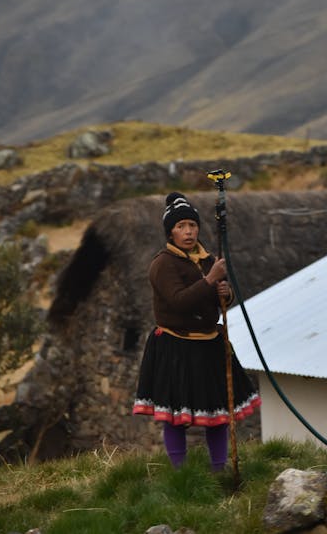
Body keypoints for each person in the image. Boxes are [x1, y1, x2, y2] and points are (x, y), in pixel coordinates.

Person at [133, 192, 261, 471]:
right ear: (171, 232)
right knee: (176, 417)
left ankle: (219, 469)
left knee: (216, 414)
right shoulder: (162, 264)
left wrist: (224, 296)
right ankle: (180, 473)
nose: (188, 231)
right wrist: (211, 280)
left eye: (192, 225)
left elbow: (218, 301)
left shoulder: (208, 259)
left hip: (209, 345)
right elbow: (178, 301)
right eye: (181, 227)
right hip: (175, 347)